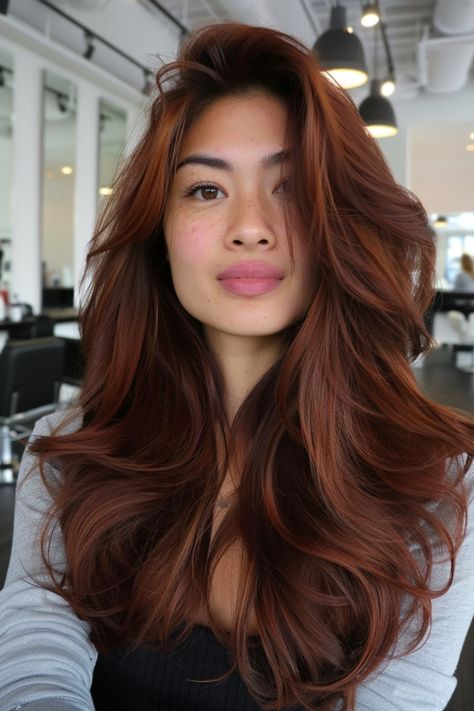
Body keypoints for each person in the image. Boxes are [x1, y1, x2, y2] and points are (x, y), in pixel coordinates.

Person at [1, 22, 473, 711]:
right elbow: (35, 646)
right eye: (205, 190)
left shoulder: (440, 484)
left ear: (343, 219)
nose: (250, 225)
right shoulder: (72, 449)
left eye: (291, 186)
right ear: (158, 234)